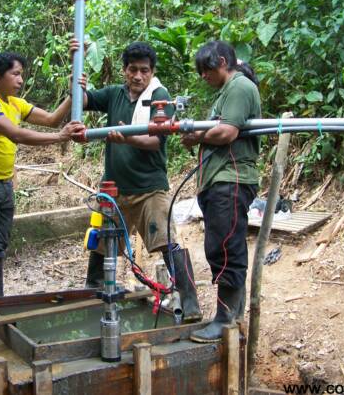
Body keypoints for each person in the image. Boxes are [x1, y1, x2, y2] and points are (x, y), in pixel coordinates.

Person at [0, 51, 84, 337]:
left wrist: (72, 93)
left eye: (21, 74)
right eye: (15, 74)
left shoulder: (14, 103)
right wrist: (61, 138)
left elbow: (53, 119)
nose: (20, 79)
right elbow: (15, 134)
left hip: (4, 186)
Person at [80, 41, 202, 322]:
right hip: (115, 188)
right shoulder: (114, 94)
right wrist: (78, 83)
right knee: (101, 242)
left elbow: (155, 140)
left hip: (149, 188)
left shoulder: (159, 96)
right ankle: (93, 288)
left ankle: (190, 302)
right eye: (132, 70)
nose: (138, 76)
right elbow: (85, 102)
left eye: (144, 71)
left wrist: (127, 135)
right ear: (124, 70)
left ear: (152, 72)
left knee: (165, 240)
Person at [181, 41, 261, 343]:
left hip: (232, 178)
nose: (204, 76)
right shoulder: (226, 92)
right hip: (219, 179)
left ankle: (225, 319)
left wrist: (197, 135)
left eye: (207, 69)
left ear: (224, 61)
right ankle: (232, 315)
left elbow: (227, 131)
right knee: (220, 245)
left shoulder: (239, 87)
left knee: (225, 247)